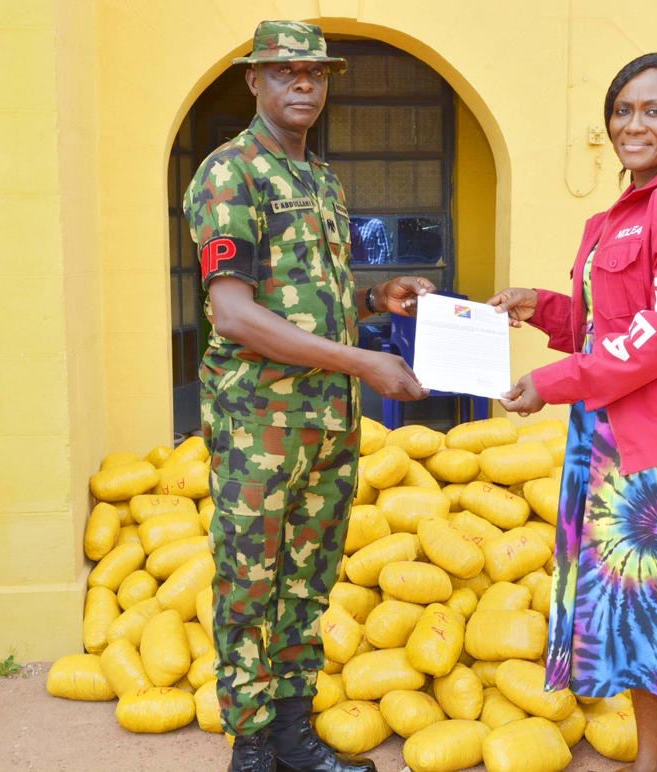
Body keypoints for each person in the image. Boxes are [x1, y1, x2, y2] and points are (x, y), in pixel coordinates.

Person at [489, 52, 657, 772]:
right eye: (622, 110)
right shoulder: (624, 212)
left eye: (654, 111)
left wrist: (553, 382)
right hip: (619, 442)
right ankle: (648, 760)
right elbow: (613, 322)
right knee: (642, 627)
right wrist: (541, 308)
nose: (632, 124)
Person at [183, 20, 432, 772]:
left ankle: (293, 731)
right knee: (249, 583)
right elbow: (234, 313)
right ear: (253, 80)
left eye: (316, 74)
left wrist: (375, 301)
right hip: (259, 423)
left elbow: (307, 301)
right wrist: (362, 362)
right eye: (286, 72)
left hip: (325, 425)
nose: (303, 85)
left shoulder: (320, 180)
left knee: (307, 578)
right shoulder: (231, 174)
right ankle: (252, 745)